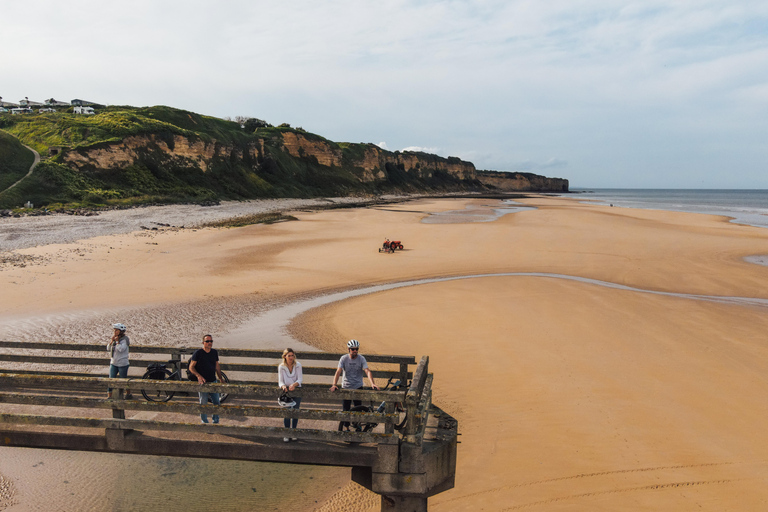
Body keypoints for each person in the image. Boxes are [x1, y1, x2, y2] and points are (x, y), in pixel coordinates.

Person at [330, 339, 379, 431]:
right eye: (353, 349)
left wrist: (372, 383)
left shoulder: (361, 358)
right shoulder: (343, 358)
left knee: (358, 408)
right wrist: (334, 384)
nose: (355, 351)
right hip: (346, 387)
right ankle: (346, 427)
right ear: (349, 349)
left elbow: (367, 371)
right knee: (346, 409)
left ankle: (358, 425)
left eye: (356, 349)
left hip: (358, 386)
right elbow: (338, 371)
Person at [188, 334, 224, 424]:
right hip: (202, 383)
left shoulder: (214, 352)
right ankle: (204, 422)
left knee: (217, 402)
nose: (209, 343)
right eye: (207, 341)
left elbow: (217, 366)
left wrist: (220, 378)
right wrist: (198, 376)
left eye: (211, 341)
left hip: (213, 381)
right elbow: (191, 367)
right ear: (203, 342)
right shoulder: (198, 353)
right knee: (203, 403)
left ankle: (216, 421)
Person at [278, 348, 303, 442]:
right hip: (287, 393)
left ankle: (294, 432)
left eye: (292, 355)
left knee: (295, 412)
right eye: (289, 356)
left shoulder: (298, 365)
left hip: (297, 391)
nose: (291, 357)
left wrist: (294, 385)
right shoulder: (281, 367)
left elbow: (300, 379)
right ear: (285, 356)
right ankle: (287, 433)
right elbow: (280, 381)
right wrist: (284, 386)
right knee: (287, 413)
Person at [107, 323, 131, 399]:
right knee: (111, 380)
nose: (115, 331)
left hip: (123, 363)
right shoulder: (114, 338)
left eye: (117, 330)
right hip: (113, 363)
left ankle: (128, 394)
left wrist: (117, 342)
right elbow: (108, 349)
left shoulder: (125, 339)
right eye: (114, 330)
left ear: (121, 331)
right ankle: (109, 396)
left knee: (123, 380)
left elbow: (121, 349)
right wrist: (111, 341)